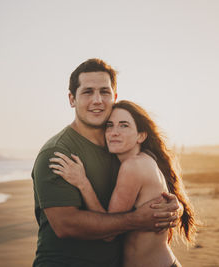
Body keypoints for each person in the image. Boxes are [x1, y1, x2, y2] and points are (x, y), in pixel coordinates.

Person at [32, 58, 183, 267]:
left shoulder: (119, 147)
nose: (97, 100)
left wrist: (173, 208)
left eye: (104, 91)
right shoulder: (58, 152)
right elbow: (66, 225)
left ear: (114, 97)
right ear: (71, 99)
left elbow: (153, 190)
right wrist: (137, 219)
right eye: (87, 92)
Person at [50, 100, 197, 267]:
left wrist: (83, 183)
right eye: (110, 126)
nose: (114, 132)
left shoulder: (132, 167)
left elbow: (108, 233)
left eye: (123, 125)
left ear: (141, 135)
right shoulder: (146, 160)